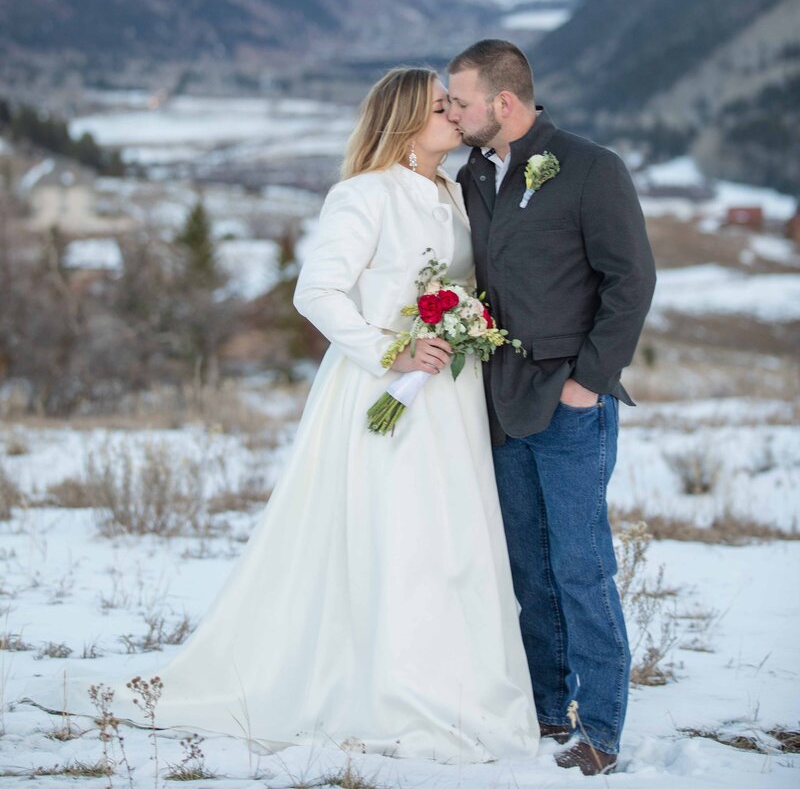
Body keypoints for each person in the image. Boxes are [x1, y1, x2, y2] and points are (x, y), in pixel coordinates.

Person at [29, 68, 539, 765]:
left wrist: (465, 326)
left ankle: (457, 680)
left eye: (455, 105)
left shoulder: (453, 192)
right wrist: (390, 350)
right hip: (382, 385)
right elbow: (317, 292)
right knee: (395, 531)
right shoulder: (363, 194)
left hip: (450, 394)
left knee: (451, 539)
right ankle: (388, 683)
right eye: (441, 107)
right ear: (403, 120)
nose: (456, 116)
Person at [447, 39, 656, 777]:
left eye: (461, 101)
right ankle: (545, 707)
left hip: (570, 402)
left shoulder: (592, 169)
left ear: (504, 103)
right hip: (500, 401)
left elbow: (631, 281)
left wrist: (588, 382)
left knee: (580, 568)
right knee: (528, 571)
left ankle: (600, 729)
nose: (452, 112)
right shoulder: (473, 174)